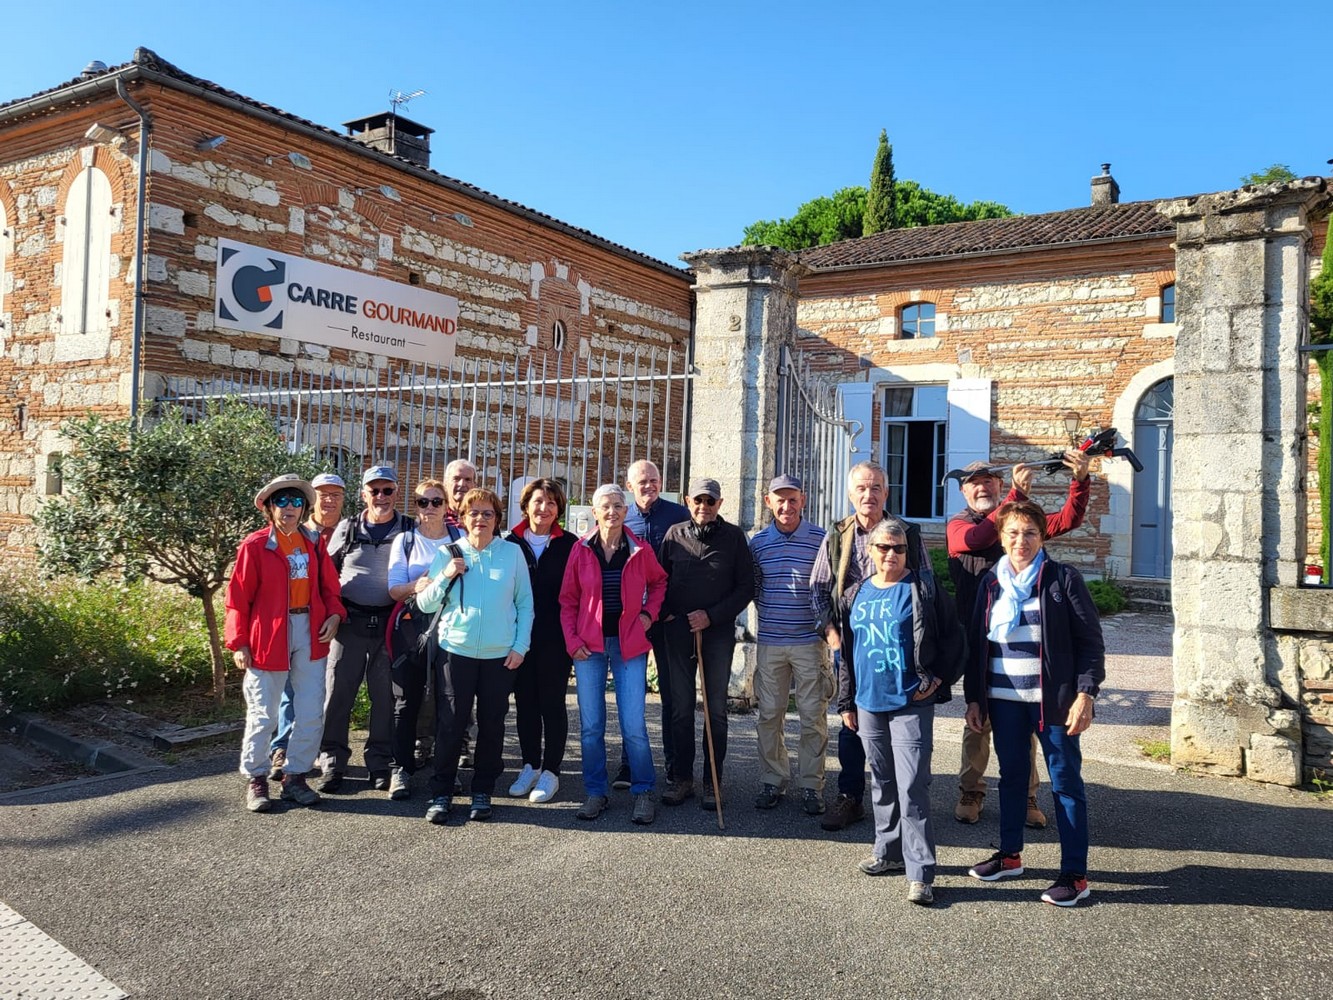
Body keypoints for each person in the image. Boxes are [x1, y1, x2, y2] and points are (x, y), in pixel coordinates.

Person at [965, 500, 1105, 907]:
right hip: (1004, 701)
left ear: (1042, 536)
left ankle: (1075, 876)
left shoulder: (1062, 579)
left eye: (1029, 533)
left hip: (1054, 704)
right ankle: (1010, 856)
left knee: (1065, 785)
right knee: (1011, 778)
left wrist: (1086, 694)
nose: (1020, 541)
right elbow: (977, 645)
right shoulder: (991, 584)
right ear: (1002, 538)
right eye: (1012, 533)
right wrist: (974, 698)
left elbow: (1090, 643)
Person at [948, 452, 1090, 827]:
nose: (982, 486)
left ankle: (1027, 797)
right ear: (964, 492)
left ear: (998, 485)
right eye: (974, 482)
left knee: (1023, 722)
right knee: (977, 724)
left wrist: (1080, 481)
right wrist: (1014, 496)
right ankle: (971, 789)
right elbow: (980, 538)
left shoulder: (1018, 522)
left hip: (1026, 644)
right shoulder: (959, 525)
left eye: (989, 480)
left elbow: (1067, 519)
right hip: (981, 644)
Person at [835, 519, 965, 906]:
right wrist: (846, 702)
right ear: (869, 551)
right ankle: (888, 851)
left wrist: (939, 678)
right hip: (868, 702)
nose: (890, 554)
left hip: (911, 700)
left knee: (912, 787)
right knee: (882, 781)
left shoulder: (922, 588)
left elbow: (954, 637)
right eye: (882, 548)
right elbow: (847, 654)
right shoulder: (855, 592)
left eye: (898, 548)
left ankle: (921, 872)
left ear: (908, 552)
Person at [810, 461, 931, 832]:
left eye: (876, 487)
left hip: (899, 647)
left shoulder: (906, 533)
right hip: (853, 646)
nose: (869, 495)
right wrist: (831, 634)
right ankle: (851, 797)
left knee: (902, 722)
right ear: (850, 494)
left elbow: (926, 586)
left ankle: (901, 801)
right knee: (852, 720)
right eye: (861, 488)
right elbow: (817, 589)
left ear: (887, 492)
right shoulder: (837, 533)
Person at [226, 474, 344, 813]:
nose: (289, 508)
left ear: (304, 508)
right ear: (270, 508)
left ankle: (295, 776)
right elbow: (237, 598)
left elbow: (330, 589)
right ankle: (257, 778)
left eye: (295, 502)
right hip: (269, 634)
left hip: (310, 630)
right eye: (282, 501)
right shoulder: (254, 545)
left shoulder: (313, 543)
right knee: (263, 712)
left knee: (309, 709)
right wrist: (238, 642)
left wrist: (335, 616)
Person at [419, 487, 533, 824]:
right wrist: (446, 574)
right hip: (456, 652)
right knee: (451, 724)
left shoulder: (511, 554)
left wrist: (519, 646)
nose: (480, 519)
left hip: (500, 656)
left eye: (487, 513)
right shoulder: (448, 553)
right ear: (463, 518)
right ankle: (441, 792)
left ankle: (482, 790)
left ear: (497, 519)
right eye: (473, 513)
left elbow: (525, 605)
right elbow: (425, 604)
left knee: (492, 725)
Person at [559, 484, 667, 824]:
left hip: (628, 645)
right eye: (605, 506)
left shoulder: (640, 549)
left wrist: (649, 614)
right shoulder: (580, 550)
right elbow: (568, 601)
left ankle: (643, 791)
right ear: (594, 511)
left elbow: (660, 583)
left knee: (633, 724)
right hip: (588, 647)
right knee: (591, 726)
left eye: (618, 505)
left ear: (625, 510)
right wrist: (572, 641)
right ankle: (596, 792)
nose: (612, 512)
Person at [657, 477, 755, 810]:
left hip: (716, 632)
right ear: (688, 501)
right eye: (698, 500)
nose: (704, 507)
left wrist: (711, 616)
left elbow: (746, 587)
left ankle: (713, 781)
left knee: (715, 711)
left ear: (720, 504)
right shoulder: (674, 535)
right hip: (679, 632)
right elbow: (659, 580)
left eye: (710, 501)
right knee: (682, 709)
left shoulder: (733, 538)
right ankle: (682, 778)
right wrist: (667, 613)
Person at [316, 465, 411, 793]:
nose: (381, 497)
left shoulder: (409, 529)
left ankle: (379, 763)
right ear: (363, 495)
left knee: (384, 697)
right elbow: (327, 575)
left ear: (397, 493)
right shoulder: (348, 527)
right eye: (375, 491)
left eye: (388, 490)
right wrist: (331, 612)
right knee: (338, 694)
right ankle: (332, 761)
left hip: (390, 625)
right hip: (350, 623)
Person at [748, 474, 831, 816]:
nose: (786, 506)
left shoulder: (821, 539)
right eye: (779, 499)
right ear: (768, 502)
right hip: (770, 642)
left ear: (803, 499)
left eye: (792, 498)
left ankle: (811, 785)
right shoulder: (757, 542)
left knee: (813, 717)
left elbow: (828, 585)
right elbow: (753, 585)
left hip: (810, 642)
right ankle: (773, 778)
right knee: (769, 715)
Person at [383, 477, 458, 800]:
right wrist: (420, 585)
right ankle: (401, 769)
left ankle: (446, 770)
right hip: (412, 625)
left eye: (436, 502)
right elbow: (393, 589)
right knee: (406, 700)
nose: (429, 508)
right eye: (422, 502)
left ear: (446, 507)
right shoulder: (405, 541)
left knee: (448, 699)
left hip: (451, 625)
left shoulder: (460, 538)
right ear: (414, 507)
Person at [268, 471, 346, 780]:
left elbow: (330, 584)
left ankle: (311, 749)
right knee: (289, 690)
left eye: (335, 494)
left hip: (329, 621)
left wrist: (336, 613)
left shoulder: (347, 530)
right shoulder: (294, 533)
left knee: (317, 690)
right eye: (322, 494)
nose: (329, 500)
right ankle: (282, 748)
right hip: (290, 622)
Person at [618, 458, 690, 790]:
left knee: (672, 695)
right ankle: (628, 764)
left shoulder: (679, 516)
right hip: (630, 621)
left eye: (654, 480)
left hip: (669, 617)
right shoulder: (621, 516)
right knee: (629, 694)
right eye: (642, 482)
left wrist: (674, 607)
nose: (649, 486)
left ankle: (675, 768)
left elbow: (690, 567)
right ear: (629, 486)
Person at [504, 478, 576, 804]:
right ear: (526, 505)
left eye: (550, 502)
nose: (544, 508)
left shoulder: (571, 545)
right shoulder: (509, 543)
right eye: (537, 501)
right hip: (519, 637)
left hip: (555, 638)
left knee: (552, 703)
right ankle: (530, 765)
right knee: (526, 704)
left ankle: (551, 771)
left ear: (558, 508)